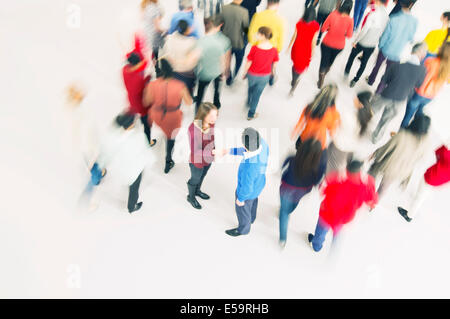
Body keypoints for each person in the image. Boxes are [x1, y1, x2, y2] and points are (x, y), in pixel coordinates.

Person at [308, 161, 378, 252]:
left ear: (347, 170)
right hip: (344, 217)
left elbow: (324, 191)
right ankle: (334, 250)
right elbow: (372, 200)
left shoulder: (337, 179)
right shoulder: (365, 185)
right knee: (337, 233)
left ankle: (316, 246)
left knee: (321, 231)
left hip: (327, 213)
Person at [97, 113, 156, 214]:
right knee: (134, 189)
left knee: (129, 181)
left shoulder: (114, 139)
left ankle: (130, 199)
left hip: (121, 170)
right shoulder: (139, 137)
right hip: (135, 171)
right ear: (131, 125)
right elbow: (146, 154)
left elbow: (106, 154)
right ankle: (131, 207)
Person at [143, 59, 193, 174]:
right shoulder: (180, 86)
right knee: (171, 138)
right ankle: (168, 161)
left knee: (160, 127)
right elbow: (189, 102)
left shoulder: (152, 85)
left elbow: (146, 102)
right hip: (173, 116)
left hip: (156, 115)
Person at [370, 43, 427, 144]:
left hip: (387, 95)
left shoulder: (397, 65)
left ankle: (359, 125)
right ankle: (375, 138)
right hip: (401, 100)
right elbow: (419, 85)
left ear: (412, 51)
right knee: (385, 121)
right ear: (422, 55)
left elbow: (385, 79)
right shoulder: (422, 71)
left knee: (370, 111)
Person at [220, 128, 270, 237]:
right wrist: (229, 151)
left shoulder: (250, 166)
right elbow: (246, 151)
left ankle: (243, 229)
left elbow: (247, 188)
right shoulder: (263, 144)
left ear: (246, 147)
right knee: (253, 201)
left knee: (243, 208)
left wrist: (241, 199)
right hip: (259, 183)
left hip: (247, 192)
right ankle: (252, 218)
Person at [279, 139, 327, 248]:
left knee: (284, 213)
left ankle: (282, 239)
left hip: (287, 188)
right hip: (303, 190)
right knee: (293, 204)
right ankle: (289, 209)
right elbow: (318, 180)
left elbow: (282, 169)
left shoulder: (292, 158)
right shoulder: (319, 166)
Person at [369, 114, 431, 200]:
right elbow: (421, 158)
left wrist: (375, 154)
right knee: (384, 187)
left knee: (372, 174)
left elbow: (386, 149)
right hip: (403, 170)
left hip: (389, 165)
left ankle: (365, 192)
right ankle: (374, 203)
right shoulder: (425, 142)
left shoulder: (402, 135)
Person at [366, 0, 418, 87]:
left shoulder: (393, 18)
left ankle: (371, 81)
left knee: (377, 66)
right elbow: (410, 38)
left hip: (385, 49)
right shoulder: (415, 22)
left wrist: (380, 46)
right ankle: (379, 90)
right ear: (412, 4)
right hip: (398, 53)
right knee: (388, 73)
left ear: (400, 3)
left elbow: (384, 37)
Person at [401, 42, 450, 128]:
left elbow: (421, 77)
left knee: (408, 114)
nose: (439, 47)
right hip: (430, 96)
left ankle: (401, 132)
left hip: (419, 93)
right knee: (419, 115)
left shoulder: (431, 61)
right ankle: (414, 132)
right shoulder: (448, 68)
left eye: (441, 47)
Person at [398, 144, 450, 222]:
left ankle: (409, 216)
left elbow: (439, 151)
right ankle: (414, 205)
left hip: (432, 176)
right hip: (439, 180)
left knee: (420, 196)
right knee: (423, 194)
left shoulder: (447, 153)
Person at [344, 0, 389, 88]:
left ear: (378, 1)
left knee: (352, 56)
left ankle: (346, 72)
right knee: (364, 63)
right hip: (372, 44)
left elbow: (364, 30)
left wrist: (355, 41)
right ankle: (355, 79)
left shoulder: (373, 14)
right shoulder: (387, 17)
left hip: (363, 41)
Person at [327, 91, 374, 174]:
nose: (354, 100)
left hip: (339, 146)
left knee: (332, 165)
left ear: (360, 104)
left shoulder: (349, 115)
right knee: (339, 163)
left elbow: (335, 128)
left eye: (356, 99)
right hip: (351, 149)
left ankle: (326, 180)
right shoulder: (369, 117)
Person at [195, 15, 231, 111]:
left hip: (204, 71)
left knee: (201, 92)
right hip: (218, 71)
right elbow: (226, 58)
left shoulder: (202, 39)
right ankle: (216, 103)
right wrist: (226, 71)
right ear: (220, 25)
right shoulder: (225, 40)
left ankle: (197, 110)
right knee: (217, 88)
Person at [242, 27, 279, 120]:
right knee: (257, 94)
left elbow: (249, 62)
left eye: (258, 34)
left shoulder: (254, 48)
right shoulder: (274, 50)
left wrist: (244, 72)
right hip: (264, 76)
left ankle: (248, 101)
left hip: (252, 74)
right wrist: (273, 73)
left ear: (263, 36)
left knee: (250, 88)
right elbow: (274, 64)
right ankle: (251, 113)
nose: (256, 35)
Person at [187, 102, 218, 209]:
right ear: (203, 115)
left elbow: (211, 137)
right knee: (195, 179)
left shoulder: (211, 123)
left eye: (216, 115)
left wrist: (213, 150)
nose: (215, 118)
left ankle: (197, 191)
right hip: (197, 161)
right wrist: (213, 152)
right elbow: (195, 152)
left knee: (202, 176)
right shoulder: (193, 129)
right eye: (212, 116)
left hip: (208, 158)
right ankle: (191, 197)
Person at [122, 50, 157, 147]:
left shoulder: (124, 69)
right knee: (146, 123)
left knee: (133, 117)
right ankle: (148, 140)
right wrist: (148, 77)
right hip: (141, 104)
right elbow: (143, 90)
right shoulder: (138, 80)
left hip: (130, 100)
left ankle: (131, 128)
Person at [247, 0, 286, 86]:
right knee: (271, 65)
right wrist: (278, 49)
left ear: (267, 3)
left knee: (256, 65)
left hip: (258, 47)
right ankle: (271, 78)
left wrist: (255, 44)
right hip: (272, 49)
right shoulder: (280, 20)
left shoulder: (258, 16)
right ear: (278, 4)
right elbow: (281, 38)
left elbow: (251, 34)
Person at [291, 84, 340, 150]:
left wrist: (295, 131)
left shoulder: (310, 106)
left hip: (304, 139)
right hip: (318, 145)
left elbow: (300, 123)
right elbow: (331, 132)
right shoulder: (334, 114)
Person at [317, 0, 354, 88]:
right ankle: (325, 72)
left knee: (323, 61)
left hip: (326, 43)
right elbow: (349, 35)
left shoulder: (333, 14)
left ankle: (321, 80)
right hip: (339, 46)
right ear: (350, 9)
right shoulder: (350, 20)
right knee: (330, 61)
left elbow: (323, 29)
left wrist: (330, 28)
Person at [162, 19, 200, 97]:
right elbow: (195, 60)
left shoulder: (169, 38)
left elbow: (165, 53)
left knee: (174, 91)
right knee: (188, 90)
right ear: (186, 31)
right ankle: (189, 96)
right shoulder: (192, 42)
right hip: (186, 73)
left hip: (172, 71)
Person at [287, 5, 320, 95]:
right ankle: (294, 84)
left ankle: (293, 79)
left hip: (296, 47)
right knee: (300, 68)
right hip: (306, 50)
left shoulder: (299, 23)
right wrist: (313, 52)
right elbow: (313, 42)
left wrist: (289, 47)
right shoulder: (316, 26)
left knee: (294, 65)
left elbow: (294, 36)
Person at [222, 0, 249, 86]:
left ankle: (228, 74)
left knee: (227, 59)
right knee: (239, 60)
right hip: (238, 42)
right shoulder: (244, 12)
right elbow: (246, 29)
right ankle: (234, 75)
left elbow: (220, 25)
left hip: (226, 42)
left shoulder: (223, 8)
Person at [141, 0, 166, 75]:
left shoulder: (146, 5)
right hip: (155, 35)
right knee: (159, 53)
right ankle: (158, 70)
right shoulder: (155, 9)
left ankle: (155, 67)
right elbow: (157, 27)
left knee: (154, 53)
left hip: (148, 33)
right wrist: (166, 31)